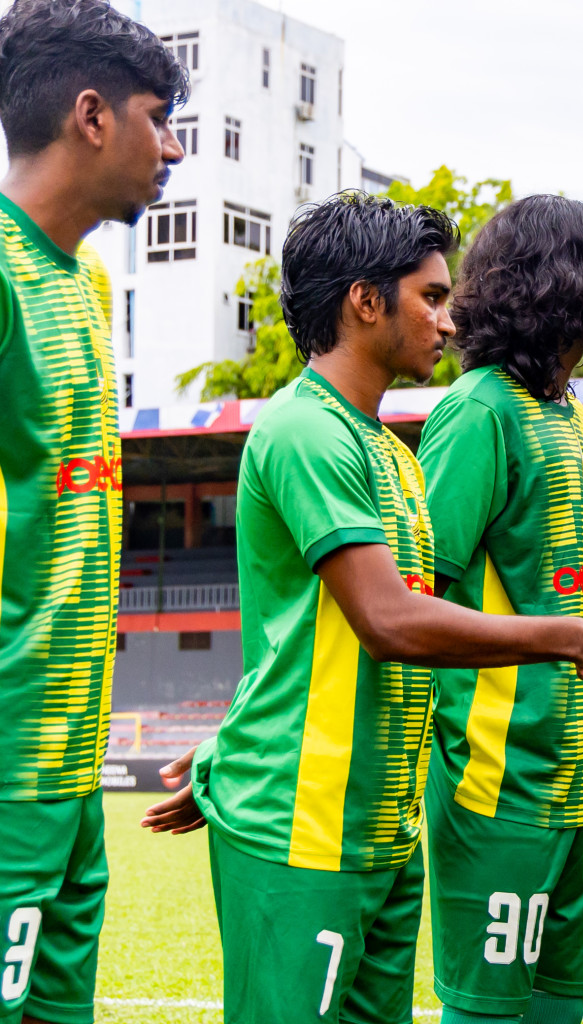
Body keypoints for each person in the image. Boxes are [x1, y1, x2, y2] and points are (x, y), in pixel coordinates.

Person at [140, 192, 583, 1024]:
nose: (451, 322)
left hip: (382, 826)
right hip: (300, 822)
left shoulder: (388, 449)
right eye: (430, 297)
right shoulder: (306, 431)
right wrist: (574, 638)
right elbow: (390, 623)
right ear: (364, 301)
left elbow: (322, 633)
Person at [0, 4, 185, 1022]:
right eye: (160, 117)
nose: (175, 146)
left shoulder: (85, 284)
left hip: (69, 772)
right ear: (91, 116)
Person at [413, 195, 583, 1024]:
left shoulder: (569, 409)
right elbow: (419, 595)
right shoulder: (478, 410)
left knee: (557, 1006)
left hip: (580, 777)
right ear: (564, 279)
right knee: (489, 1008)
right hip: (498, 778)